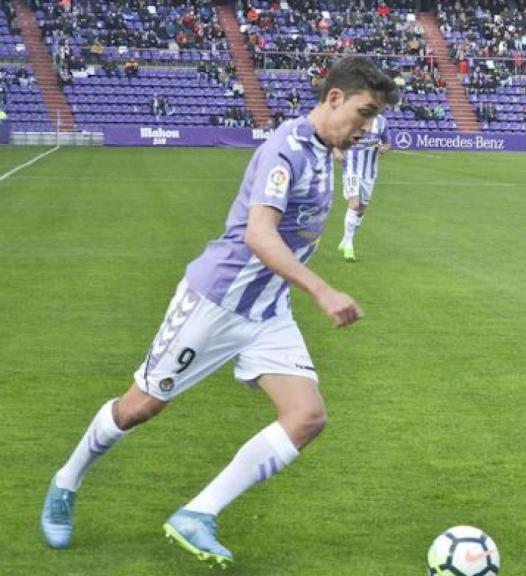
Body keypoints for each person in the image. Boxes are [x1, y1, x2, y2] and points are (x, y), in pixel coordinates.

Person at [40, 56, 398, 567]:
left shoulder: (324, 148)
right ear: (334, 98)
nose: (366, 127)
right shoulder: (286, 150)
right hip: (216, 301)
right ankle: (66, 481)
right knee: (139, 407)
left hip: (267, 309)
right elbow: (258, 234)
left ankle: (197, 514)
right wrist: (322, 290)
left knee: (306, 416)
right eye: (363, 113)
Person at [336, 114, 390, 261]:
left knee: (362, 208)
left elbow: (387, 143)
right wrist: (338, 153)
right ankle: (349, 246)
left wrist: (383, 149)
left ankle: (346, 239)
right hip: (351, 170)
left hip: (369, 173)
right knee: (354, 205)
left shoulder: (381, 122)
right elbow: (337, 141)